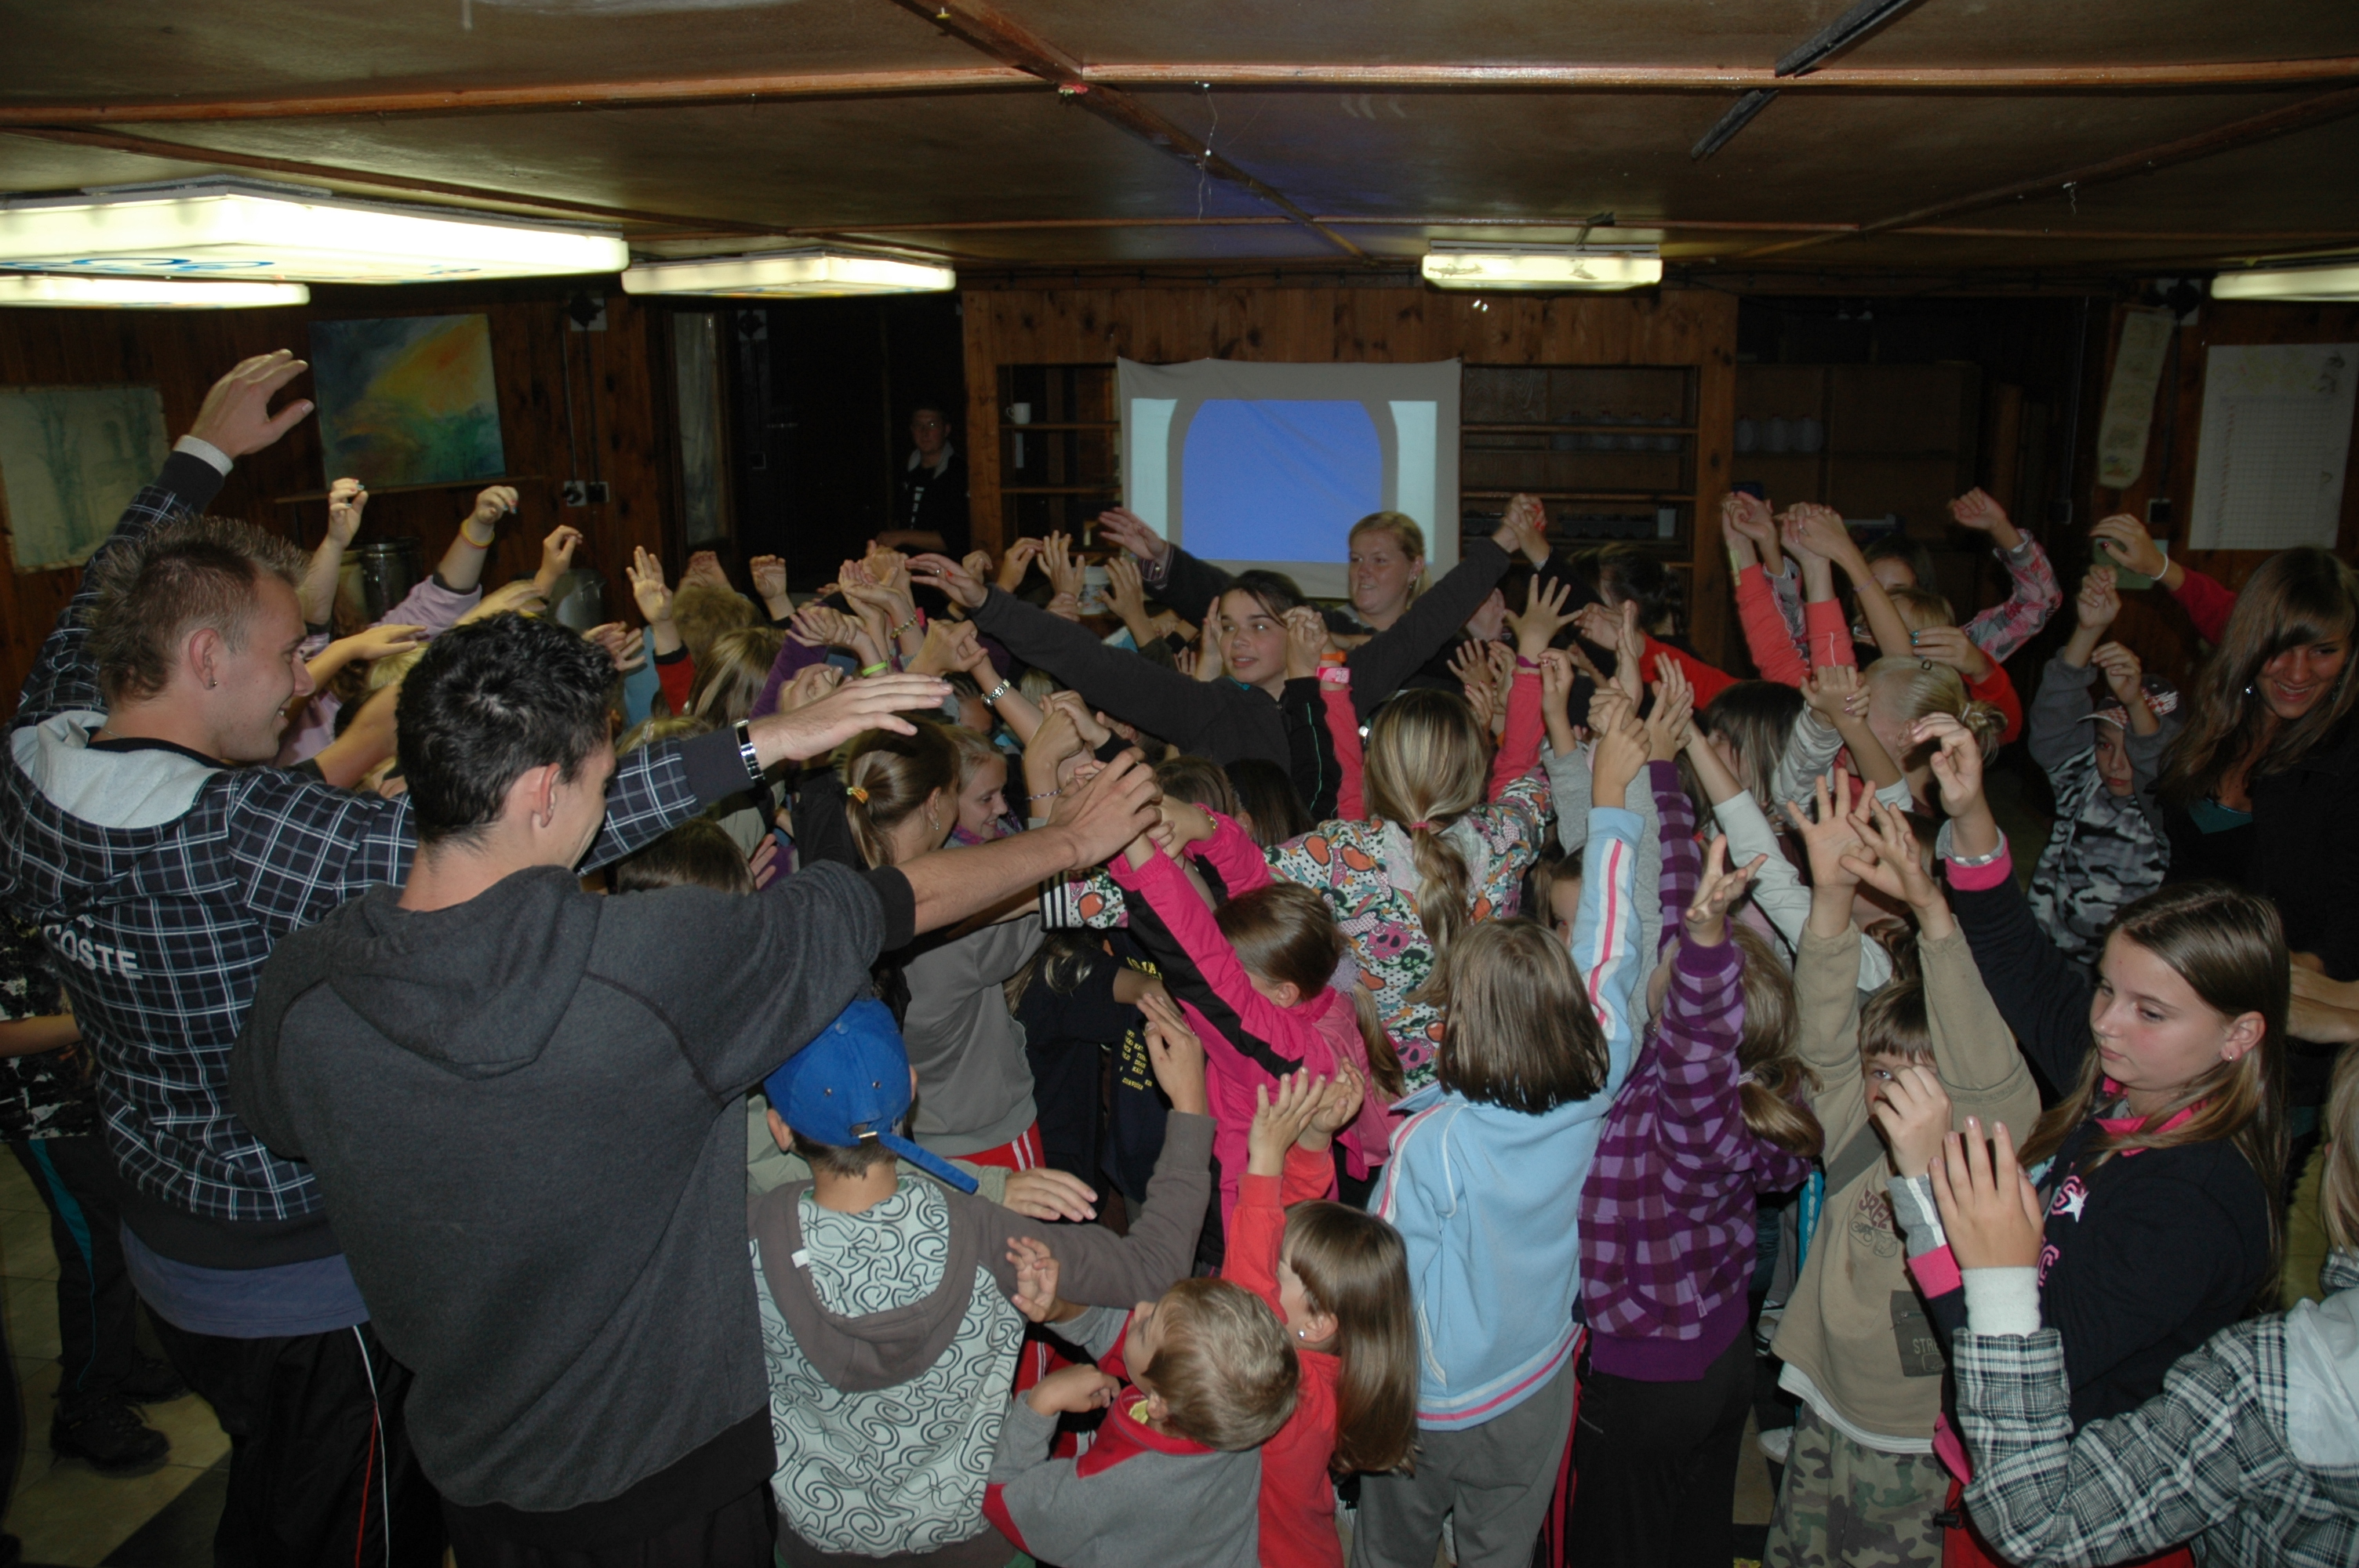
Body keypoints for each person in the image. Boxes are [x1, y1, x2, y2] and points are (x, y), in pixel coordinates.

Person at [227, 608, 1164, 1560]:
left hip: (476, 1469)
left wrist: (771, 740)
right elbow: (889, 901)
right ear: (545, 789)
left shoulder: (308, 985)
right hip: (670, 1472)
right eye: (604, 779)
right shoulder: (653, 968)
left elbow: (276, 1119)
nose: (611, 801)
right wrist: (1066, 842)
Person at [750, 996, 1212, 1566]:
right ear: (911, 1087)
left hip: (816, 1550)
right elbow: (1154, 1269)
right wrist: (1190, 1106)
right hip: (978, 1545)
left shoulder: (745, 1241)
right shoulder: (989, 1234)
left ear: (779, 1128)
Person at [1352, 709, 1645, 1568]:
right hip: (1538, 1378)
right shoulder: (1599, 1072)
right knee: (1500, 1551)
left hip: (1432, 1406)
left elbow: (1381, 1289)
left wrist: (1362, 1409)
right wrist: (1610, 805)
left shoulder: (1431, 1143)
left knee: (1391, 1552)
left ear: (1460, 1023)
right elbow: (1611, 944)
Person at [1760, 771, 2039, 1568]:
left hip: (1917, 1439)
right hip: (1826, 1404)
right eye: (1882, 1071)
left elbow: (1983, 1062)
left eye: (1923, 1076)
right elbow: (1820, 1036)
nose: (1896, 1092)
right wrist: (1830, 896)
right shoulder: (1858, 1131)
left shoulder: (1982, 1156)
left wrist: (1931, 911)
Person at [1934, 1046, 2359, 1568]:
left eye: (2152, 1012)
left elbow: (2037, 1524)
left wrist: (1998, 1279)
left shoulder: (2267, 1374)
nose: (2106, 1026)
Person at [1572, 789, 1816, 1568]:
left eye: (1675, 962)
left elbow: (1698, 1034)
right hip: (1719, 1358)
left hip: (1650, 1381)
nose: (1665, 952)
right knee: (1693, 1535)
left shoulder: (1696, 1121)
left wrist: (1705, 944)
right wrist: (1661, 782)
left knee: (1617, 1547)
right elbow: (1684, 903)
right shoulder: (1751, 1096)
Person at [0, 916, 184, 1471]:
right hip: (43, 1117)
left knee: (120, 1241)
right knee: (94, 1252)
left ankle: (116, 1361)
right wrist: (97, 1016)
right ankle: (84, 1402)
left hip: (95, 1102)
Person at [1229, 1071, 1417, 1568]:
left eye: (1275, 1270)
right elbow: (1291, 1225)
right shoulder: (1323, 1354)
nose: (1262, 1265)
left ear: (1317, 1323)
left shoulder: (1297, 1398)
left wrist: (1264, 1164)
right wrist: (1314, 1139)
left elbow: (1243, 1312)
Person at [987, 1273, 1298, 1568]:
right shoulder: (1240, 1409)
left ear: (1159, 1402)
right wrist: (1062, 1310)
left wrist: (1043, 1402)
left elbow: (1005, 1499)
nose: (1141, 1307)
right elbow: (1138, 1346)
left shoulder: (1117, 1483)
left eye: (1147, 1326)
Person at [2023, 565, 2179, 967]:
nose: (2116, 764)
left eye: (2132, 750)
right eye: (2105, 745)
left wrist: (2135, 703)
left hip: (2136, 967)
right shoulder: (2083, 782)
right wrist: (2088, 631)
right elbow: (2055, 719)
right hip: (2056, 955)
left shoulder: (2170, 812)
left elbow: (2159, 767)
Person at [878, 401, 969, 557]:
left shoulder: (960, 474)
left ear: (946, 430)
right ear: (912, 430)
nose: (925, 432)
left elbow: (955, 538)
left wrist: (903, 536)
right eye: (918, 425)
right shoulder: (906, 471)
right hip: (906, 564)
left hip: (944, 567)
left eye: (932, 425)